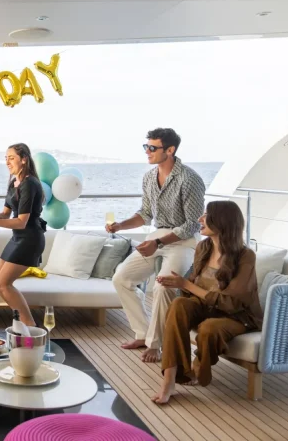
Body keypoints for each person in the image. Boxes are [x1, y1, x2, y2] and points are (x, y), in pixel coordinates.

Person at [107, 128, 205, 363]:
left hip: (184, 241)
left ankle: (155, 344)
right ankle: (142, 334)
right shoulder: (149, 177)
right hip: (158, 236)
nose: (147, 151)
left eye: (152, 147)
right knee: (121, 278)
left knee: (163, 287)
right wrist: (120, 225)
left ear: (170, 150)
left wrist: (158, 242)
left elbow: (193, 224)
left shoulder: (190, 180)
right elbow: (145, 214)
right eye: (146, 146)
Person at [152, 201, 261, 404]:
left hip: (237, 316)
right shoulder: (203, 247)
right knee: (178, 305)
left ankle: (198, 369)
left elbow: (231, 303)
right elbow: (195, 285)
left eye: (206, 215)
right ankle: (169, 380)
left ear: (222, 221)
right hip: (206, 306)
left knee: (209, 328)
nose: (200, 219)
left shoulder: (245, 256)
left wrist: (186, 284)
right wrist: (179, 284)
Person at [0, 143, 46, 327]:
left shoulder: (29, 184)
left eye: (11, 158)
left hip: (30, 240)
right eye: (6, 158)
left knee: (4, 283)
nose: (7, 162)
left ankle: (29, 326)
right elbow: (5, 214)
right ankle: (22, 323)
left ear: (24, 159)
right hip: (17, 238)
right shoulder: (14, 182)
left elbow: (21, 221)